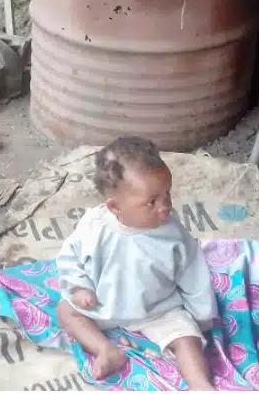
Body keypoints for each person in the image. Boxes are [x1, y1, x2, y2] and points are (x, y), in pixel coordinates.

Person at [55, 136, 218, 390]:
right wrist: (79, 287)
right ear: (114, 207)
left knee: (188, 338)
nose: (165, 206)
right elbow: (69, 257)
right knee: (66, 311)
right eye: (152, 202)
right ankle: (106, 350)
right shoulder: (93, 226)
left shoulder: (173, 233)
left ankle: (201, 385)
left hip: (157, 309)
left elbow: (194, 274)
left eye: (167, 194)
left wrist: (202, 316)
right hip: (104, 303)